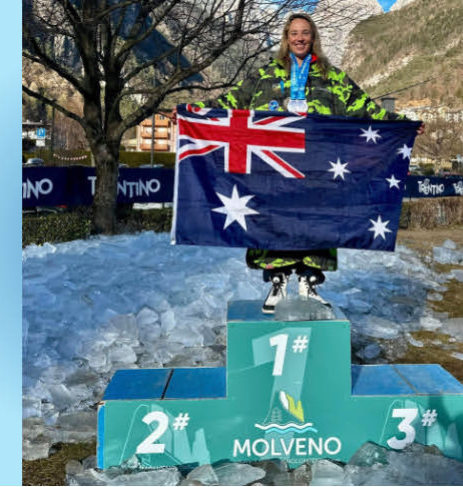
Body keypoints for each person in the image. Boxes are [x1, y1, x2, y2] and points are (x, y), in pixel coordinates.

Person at [176, 13, 424, 313]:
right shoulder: (265, 74)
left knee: (316, 220)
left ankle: (309, 282)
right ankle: (277, 281)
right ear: (285, 37)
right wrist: (194, 111)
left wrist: (402, 124)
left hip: (319, 169)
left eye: (305, 32)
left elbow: (365, 109)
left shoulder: (333, 77)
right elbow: (232, 102)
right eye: (294, 33)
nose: (299, 38)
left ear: (313, 36)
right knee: (273, 219)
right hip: (273, 169)